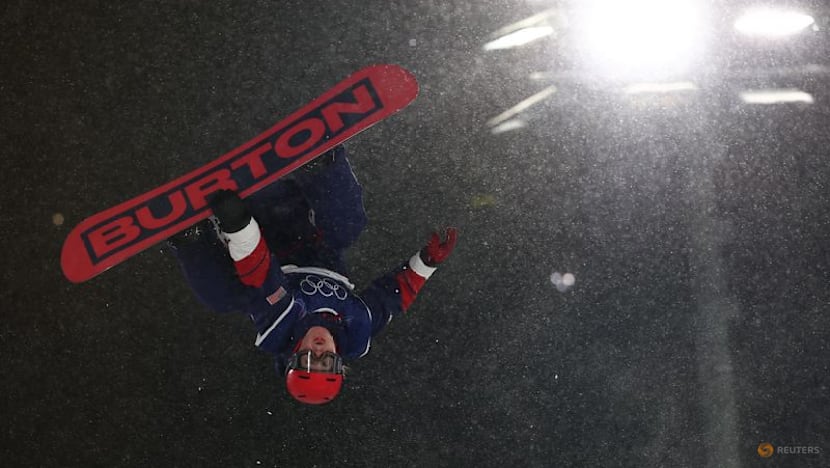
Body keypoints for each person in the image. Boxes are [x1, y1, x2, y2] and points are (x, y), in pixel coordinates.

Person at [167, 145, 458, 404]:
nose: (319, 349)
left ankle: (192, 236)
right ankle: (322, 165)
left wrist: (238, 224)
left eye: (309, 359)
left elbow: (261, 274)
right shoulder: (356, 327)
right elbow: (391, 298)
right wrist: (428, 261)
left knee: (223, 298)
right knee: (349, 228)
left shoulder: (281, 325)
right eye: (327, 360)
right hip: (305, 230)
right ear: (338, 360)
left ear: (295, 354)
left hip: (261, 238)